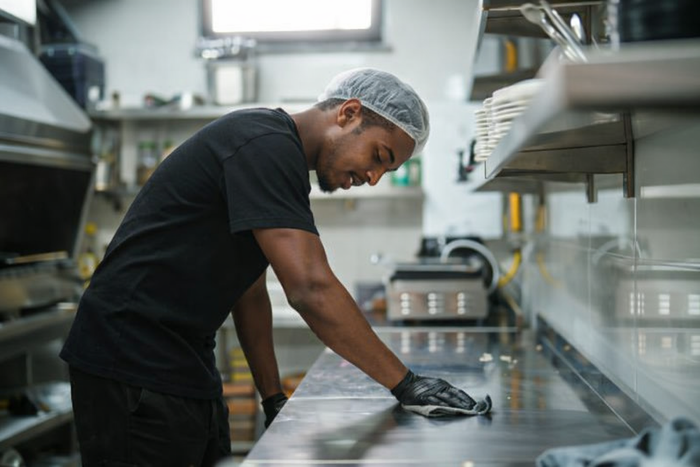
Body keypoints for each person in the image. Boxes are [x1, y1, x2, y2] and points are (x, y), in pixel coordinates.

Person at [60, 68, 491, 467]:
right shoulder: (263, 143)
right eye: (378, 155)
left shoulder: (274, 156)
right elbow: (310, 289)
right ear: (349, 113)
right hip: (130, 360)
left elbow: (249, 289)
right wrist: (406, 383)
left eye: (387, 168)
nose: (374, 176)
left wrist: (272, 397)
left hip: (182, 359)